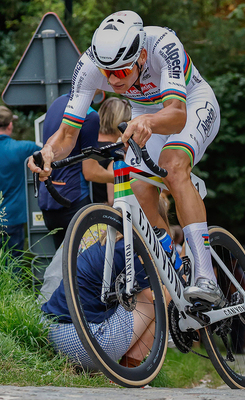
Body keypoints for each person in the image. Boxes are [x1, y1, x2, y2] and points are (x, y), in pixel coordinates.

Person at [28, 10, 223, 307]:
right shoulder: (90, 65)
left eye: (120, 72)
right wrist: (48, 152)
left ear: (141, 56)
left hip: (190, 103)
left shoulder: (162, 44)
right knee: (138, 183)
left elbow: (177, 114)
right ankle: (170, 260)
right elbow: (67, 134)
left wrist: (149, 123)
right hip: (145, 111)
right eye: (107, 73)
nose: (112, 80)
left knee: (172, 166)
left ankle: (206, 276)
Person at [41, 232, 155, 369]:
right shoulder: (130, 249)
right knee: (161, 298)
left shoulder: (106, 241)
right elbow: (154, 299)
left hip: (49, 331)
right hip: (82, 345)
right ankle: (129, 371)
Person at [38, 92, 114, 249]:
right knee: (89, 267)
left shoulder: (57, 103)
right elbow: (91, 171)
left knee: (63, 268)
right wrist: (123, 177)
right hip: (73, 201)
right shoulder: (89, 115)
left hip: (48, 200)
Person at [0, 105, 41, 260]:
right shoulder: (24, 148)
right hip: (12, 218)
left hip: (12, 218)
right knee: (13, 265)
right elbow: (47, 153)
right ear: (10, 125)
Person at [92, 97, 131, 205]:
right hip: (104, 215)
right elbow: (114, 200)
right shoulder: (116, 154)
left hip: (83, 211)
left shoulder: (89, 146)